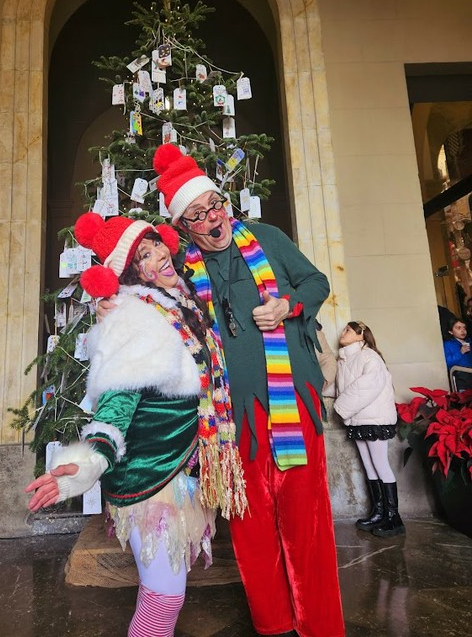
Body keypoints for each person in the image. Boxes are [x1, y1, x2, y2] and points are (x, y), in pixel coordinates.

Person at [150, 143, 345, 637]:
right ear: (184, 227)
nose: (212, 218)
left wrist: (287, 305)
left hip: (291, 399)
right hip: (229, 417)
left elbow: (316, 282)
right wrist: (111, 304)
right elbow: (144, 291)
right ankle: (274, 625)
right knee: (250, 523)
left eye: (214, 204)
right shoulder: (183, 269)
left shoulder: (267, 238)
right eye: (197, 215)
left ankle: (321, 625)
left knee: (307, 520)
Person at [25, 213, 247, 637]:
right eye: (143, 254)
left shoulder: (181, 302)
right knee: (163, 596)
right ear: (130, 273)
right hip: (151, 475)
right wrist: (91, 460)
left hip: (181, 465)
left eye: (156, 243)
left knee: (166, 593)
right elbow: (117, 400)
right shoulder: (133, 318)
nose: (159, 254)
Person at [333, 320, 404, 538]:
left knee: (381, 465)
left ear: (360, 335)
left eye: (348, 330)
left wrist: (340, 406)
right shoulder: (345, 359)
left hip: (374, 418)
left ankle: (394, 517)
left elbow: (367, 386)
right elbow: (340, 387)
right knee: (369, 466)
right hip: (358, 419)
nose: (343, 333)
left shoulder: (369, 356)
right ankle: (379, 512)